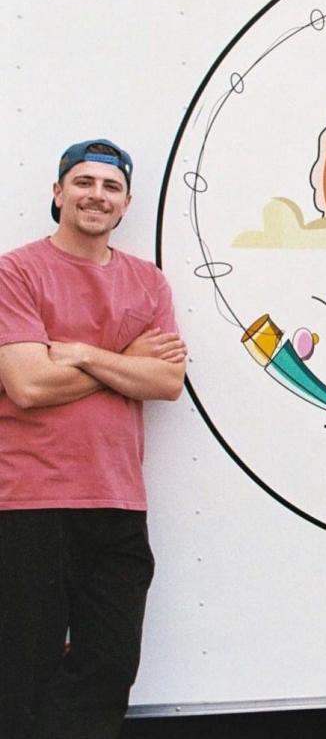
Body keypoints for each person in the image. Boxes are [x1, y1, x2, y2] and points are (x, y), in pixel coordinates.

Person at [0, 139, 186, 739]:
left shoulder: (148, 283)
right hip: (30, 499)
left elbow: (166, 379)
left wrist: (80, 353)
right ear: (57, 194)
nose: (95, 196)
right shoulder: (16, 271)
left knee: (110, 663)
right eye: (82, 182)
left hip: (116, 500)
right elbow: (26, 384)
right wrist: (121, 360)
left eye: (110, 187)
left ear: (127, 203)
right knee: (21, 667)